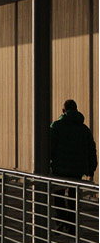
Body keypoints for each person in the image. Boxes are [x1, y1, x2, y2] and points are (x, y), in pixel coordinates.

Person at [50, 99, 97, 232]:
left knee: (58, 194)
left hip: (59, 168)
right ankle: (72, 225)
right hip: (77, 169)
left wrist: (48, 163)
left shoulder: (56, 126)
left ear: (63, 111)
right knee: (73, 196)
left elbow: (50, 147)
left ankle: (61, 221)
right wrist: (92, 168)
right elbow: (91, 149)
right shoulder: (84, 129)